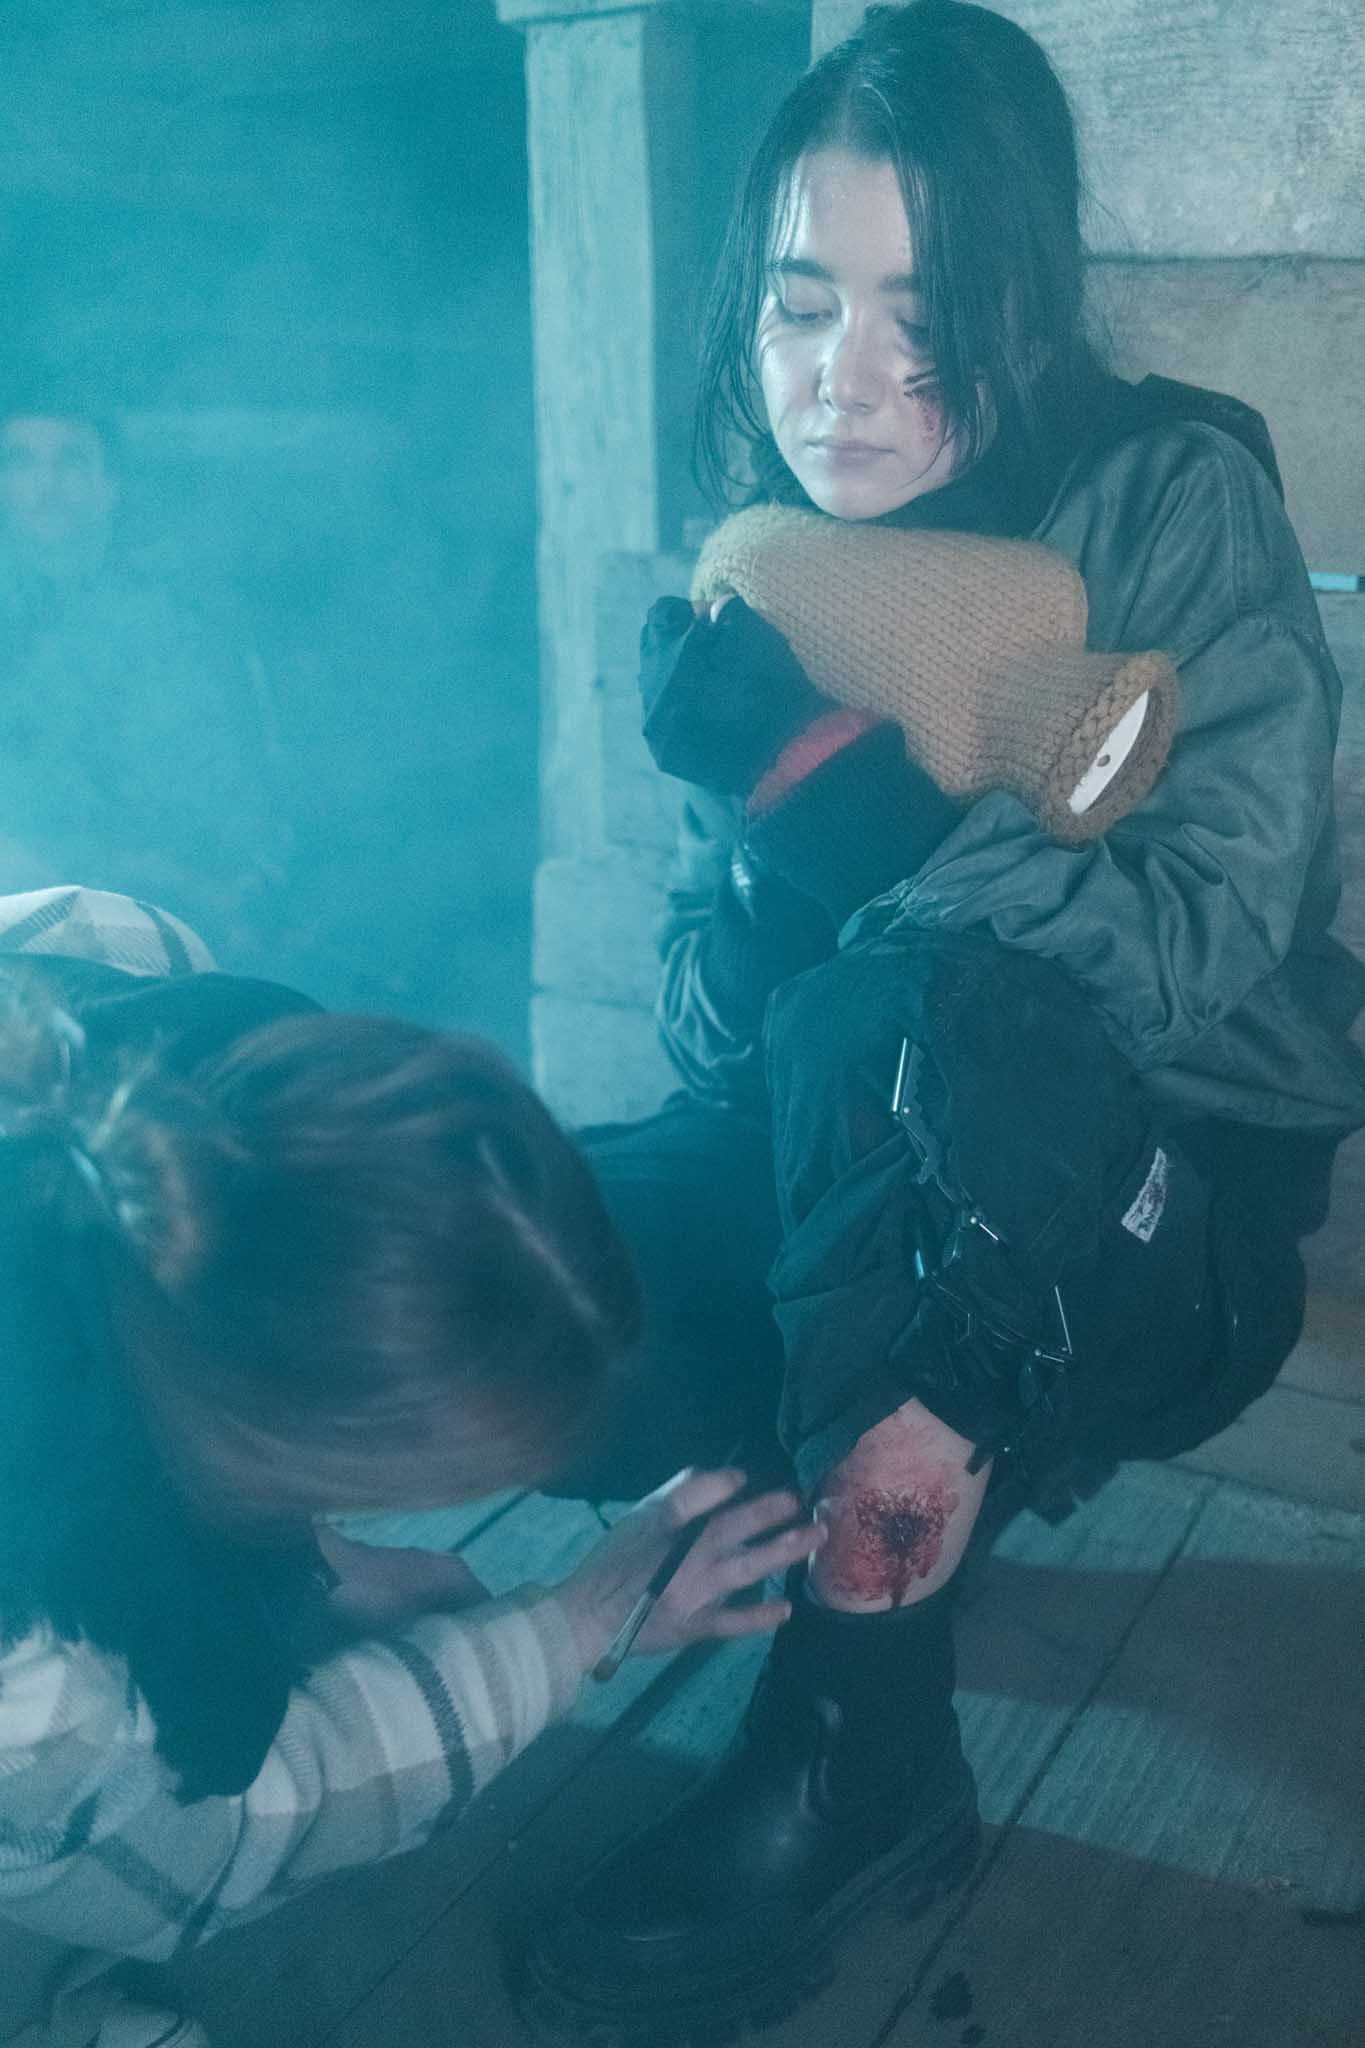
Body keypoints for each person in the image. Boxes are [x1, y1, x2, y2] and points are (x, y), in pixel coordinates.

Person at [524, 3, 1365, 2038]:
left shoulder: (1170, 495)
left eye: (930, 315)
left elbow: (1199, 930)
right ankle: (841, 1500)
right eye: (803, 307)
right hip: (859, 1169)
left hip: (1159, 1221)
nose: (853, 382)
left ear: (1023, 300)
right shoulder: (773, 547)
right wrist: (735, 862)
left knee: (899, 1026)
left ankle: (859, 1759)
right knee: (554, 1273)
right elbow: (727, 1038)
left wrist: (832, 794)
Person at [0, 885, 819, 2048]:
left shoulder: (121, 964)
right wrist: (572, 1622)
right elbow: (198, 1856)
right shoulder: (25, 1662)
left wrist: (318, 1566)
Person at [0, 400, 284, 958]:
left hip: (151, 920)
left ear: (110, 486)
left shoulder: (185, 633)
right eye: (21, 462)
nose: (46, 484)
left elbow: (230, 812)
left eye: (72, 462)